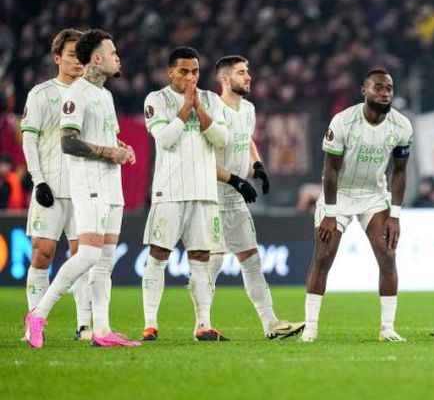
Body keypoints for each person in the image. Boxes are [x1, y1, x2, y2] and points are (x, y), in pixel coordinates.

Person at [24, 28, 139, 348]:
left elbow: (104, 136)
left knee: (104, 262)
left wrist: (121, 147)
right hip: (88, 185)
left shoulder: (106, 96)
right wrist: (109, 152)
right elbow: (68, 143)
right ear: (97, 59)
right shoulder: (76, 94)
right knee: (87, 255)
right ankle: (38, 314)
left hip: (112, 185)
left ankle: (101, 330)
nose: (118, 58)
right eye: (113, 53)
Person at [301, 68, 412, 342]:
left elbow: (399, 172)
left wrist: (395, 215)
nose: (384, 93)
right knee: (323, 257)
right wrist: (330, 212)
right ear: (364, 91)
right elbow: (330, 171)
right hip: (339, 195)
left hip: (374, 196)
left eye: (388, 88)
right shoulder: (343, 122)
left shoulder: (402, 126)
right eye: (378, 88)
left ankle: (387, 328)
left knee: (387, 256)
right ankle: (310, 328)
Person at [207, 55, 304, 340]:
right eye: (241, 72)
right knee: (212, 263)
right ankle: (202, 325)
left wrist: (258, 165)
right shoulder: (212, 109)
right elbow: (202, 160)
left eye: (247, 71)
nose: (248, 77)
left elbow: (247, 139)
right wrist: (235, 179)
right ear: (225, 79)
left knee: (251, 260)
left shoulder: (248, 109)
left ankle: (271, 324)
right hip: (211, 198)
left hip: (235, 200)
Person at [140, 46, 229, 341]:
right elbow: (165, 139)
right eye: (184, 71)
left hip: (204, 191)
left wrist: (198, 108)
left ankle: (203, 324)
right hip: (170, 190)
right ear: (170, 72)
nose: (190, 77)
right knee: (159, 254)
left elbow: (222, 139)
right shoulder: (157, 99)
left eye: (195, 72)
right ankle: (150, 323)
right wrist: (185, 108)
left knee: (201, 257)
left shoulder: (211, 100)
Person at [19, 29, 96, 340]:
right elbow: (29, 139)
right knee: (42, 254)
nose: (78, 61)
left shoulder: (93, 94)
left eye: (82, 55)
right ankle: (34, 324)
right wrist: (38, 180)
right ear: (57, 58)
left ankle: (84, 325)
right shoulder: (41, 94)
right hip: (50, 185)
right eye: (72, 54)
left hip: (83, 187)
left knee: (83, 256)